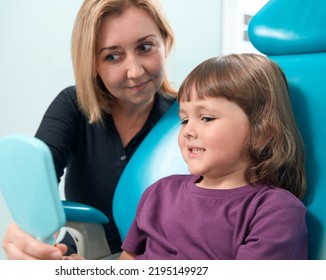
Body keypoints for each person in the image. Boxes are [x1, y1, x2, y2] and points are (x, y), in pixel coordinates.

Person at [66, 53, 308, 260]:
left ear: (263, 132)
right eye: (184, 119)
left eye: (206, 118)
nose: (188, 131)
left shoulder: (275, 211)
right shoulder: (159, 193)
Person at [1, 0, 177, 260]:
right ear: (92, 64)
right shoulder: (72, 106)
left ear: (165, 42)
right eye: (112, 56)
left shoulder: (188, 115)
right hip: (81, 256)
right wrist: (25, 239)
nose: (135, 71)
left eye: (145, 47)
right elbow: (36, 191)